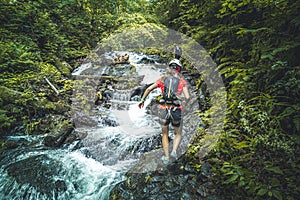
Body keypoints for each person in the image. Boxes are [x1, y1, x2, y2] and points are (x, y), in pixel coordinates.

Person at [138, 59, 190, 164]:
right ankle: (174, 151)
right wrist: (183, 104)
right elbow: (188, 97)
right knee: (178, 133)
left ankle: (166, 157)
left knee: (165, 134)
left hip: (163, 109)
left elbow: (148, 89)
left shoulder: (162, 79)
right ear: (179, 70)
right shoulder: (181, 81)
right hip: (176, 110)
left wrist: (142, 100)